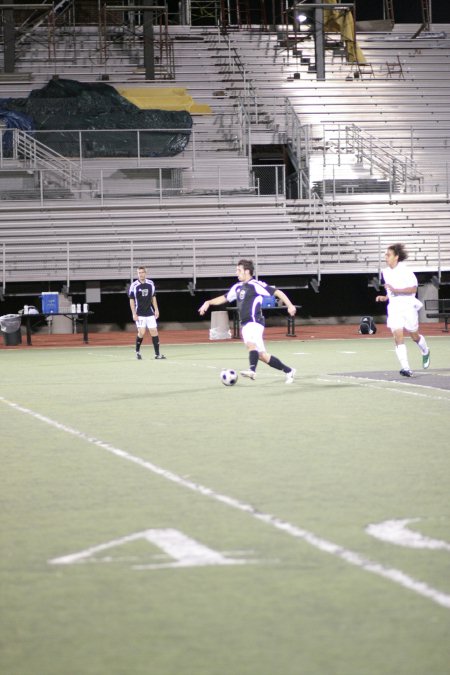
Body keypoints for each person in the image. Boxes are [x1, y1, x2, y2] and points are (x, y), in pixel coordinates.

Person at [198, 259, 297, 384]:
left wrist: (290, 305)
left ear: (247, 271)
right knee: (262, 355)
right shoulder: (237, 287)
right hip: (245, 324)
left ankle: (252, 370)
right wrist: (208, 302)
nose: (236, 273)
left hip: (255, 322)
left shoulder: (255, 285)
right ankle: (289, 371)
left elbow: (277, 292)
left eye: (239, 270)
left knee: (251, 344)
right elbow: (224, 298)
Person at [375, 243, 430, 377]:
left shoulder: (405, 270)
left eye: (388, 255)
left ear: (396, 257)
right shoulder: (385, 272)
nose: (386, 257)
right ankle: (405, 367)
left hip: (408, 306)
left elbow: (413, 289)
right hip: (394, 307)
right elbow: (391, 291)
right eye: (385, 255)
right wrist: (386, 297)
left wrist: (396, 290)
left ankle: (425, 350)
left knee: (414, 336)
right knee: (397, 336)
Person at [128, 266, 166, 360]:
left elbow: (153, 297)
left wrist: (156, 309)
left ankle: (157, 354)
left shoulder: (150, 283)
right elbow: (131, 300)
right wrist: (134, 313)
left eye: (142, 272)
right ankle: (137, 352)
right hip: (139, 313)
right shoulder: (134, 285)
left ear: (146, 273)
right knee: (142, 332)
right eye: (139, 273)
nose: (141, 274)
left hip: (149, 312)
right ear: (137, 274)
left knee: (154, 331)